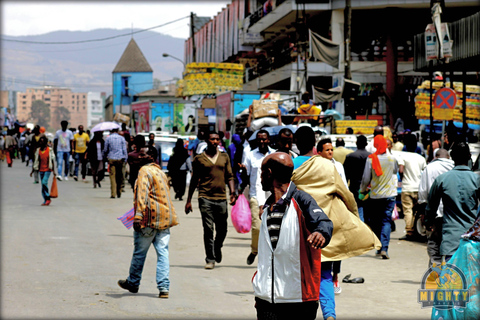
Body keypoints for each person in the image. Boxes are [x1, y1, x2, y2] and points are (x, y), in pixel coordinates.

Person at [292, 127, 380, 320]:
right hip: (324, 228)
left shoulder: (290, 165)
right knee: (324, 274)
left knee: (297, 274)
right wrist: (354, 218)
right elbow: (346, 195)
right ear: (315, 143)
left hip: (296, 228)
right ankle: (329, 315)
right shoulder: (326, 166)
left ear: (295, 142)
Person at [252, 152, 333, 320]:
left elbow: (323, 221)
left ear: (269, 173)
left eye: (261, 173)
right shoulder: (267, 209)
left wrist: (320, 233)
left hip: (299, 299)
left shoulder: (301, 200)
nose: (260, 178)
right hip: (267, 299)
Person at [118, 147, 179, 299]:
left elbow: (142, 193)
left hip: (149, 219)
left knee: (140, 253)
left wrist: (138, 216)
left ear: (151, 156)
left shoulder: (144, 171)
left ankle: (133, 282)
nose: (139, 156)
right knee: (163, 253)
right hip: (165, 219)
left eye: (142, 154)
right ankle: (164, 288)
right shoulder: (160, 172)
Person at [185, 131, 236, 269]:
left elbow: (230, 176)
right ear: (207, 141)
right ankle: (210, 259)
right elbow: (195, 179)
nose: (215, 141)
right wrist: (189, 200)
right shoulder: (199, 159)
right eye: (212, 139)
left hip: (221, 198)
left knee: (222, 229)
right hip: (205, 197)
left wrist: (232, 192)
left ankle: (217, 246)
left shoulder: (224, 157)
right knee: (208, 228)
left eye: (217, 139)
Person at [425, 142, 480, 261]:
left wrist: (428, 222)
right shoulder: (477, 180)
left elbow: (431, 206)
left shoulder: (442, 179)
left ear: (452, 157)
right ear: (469, 156)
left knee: (452, 276)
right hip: (473, 240)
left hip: (450, 240)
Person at [360, 134, 398, 260]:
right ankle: (384, 249)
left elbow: (366, 179)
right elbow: (395, 172)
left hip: (376, 196)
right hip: (390, 195)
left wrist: (362, 190)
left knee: (376, 221)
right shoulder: (392, 159)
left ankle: (378, 246)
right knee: (386, 221)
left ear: (375, 145)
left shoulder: (371, 159)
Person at [241, 129, 276, 265]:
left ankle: (270, 256)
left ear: (268, 140)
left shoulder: (274, 154)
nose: (262, 142)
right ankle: (255, 250)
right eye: (260, 139)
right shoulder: (250, 155)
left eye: (264, 139)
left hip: (273, 195)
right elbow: (246, 175)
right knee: (257, 226)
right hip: (256, 195)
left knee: (272, 227)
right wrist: (242, 173)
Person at [418, 148, 454, 266]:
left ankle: (435, 270)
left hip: (436, 212)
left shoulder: (430, 168)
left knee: (434, 242)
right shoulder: (454, 167)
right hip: (453, 213)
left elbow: (423, 192)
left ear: (435, 157)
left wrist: (424, 213)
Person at [398, 133, 427, 241]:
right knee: (417, 211)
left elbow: (401, 170)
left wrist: (403, 177)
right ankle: (416, 231)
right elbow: (424, 172)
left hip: (407, 188)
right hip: (418, 188)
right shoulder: (421, 158)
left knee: (408, 211)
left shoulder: (403, 156)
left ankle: (410, 232)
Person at [344, 135, 371, 222]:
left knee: (358, 211)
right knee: (368, 212)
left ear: (356, 143)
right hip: (369, 189)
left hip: (354, 187)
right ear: (366, 144)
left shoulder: (350, 156)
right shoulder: (371, 157)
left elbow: (346, 175)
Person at [30, 135, 56, 206]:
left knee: (44, 182)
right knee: (43, 185)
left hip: (48, 169)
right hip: (41, 170)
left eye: (42, 141)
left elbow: (52, 160)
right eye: (40, 142)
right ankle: (45, 200)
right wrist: (33, 170)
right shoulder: (38, 150)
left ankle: (48, 197)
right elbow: (36, 161)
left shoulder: (49, 150)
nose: (41, 143)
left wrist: (54, 170)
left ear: (45, 142)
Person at [103, 127, 128, 199]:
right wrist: (125, 159)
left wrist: (105, 157)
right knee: (120, 176)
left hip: (112, 159)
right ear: (117, 131)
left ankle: (113, 193)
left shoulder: (108, 138)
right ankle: (119, 192)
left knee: (112, 176)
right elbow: (124, 149)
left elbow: (105, 149)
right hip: (120, 159)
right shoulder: (121, 138)